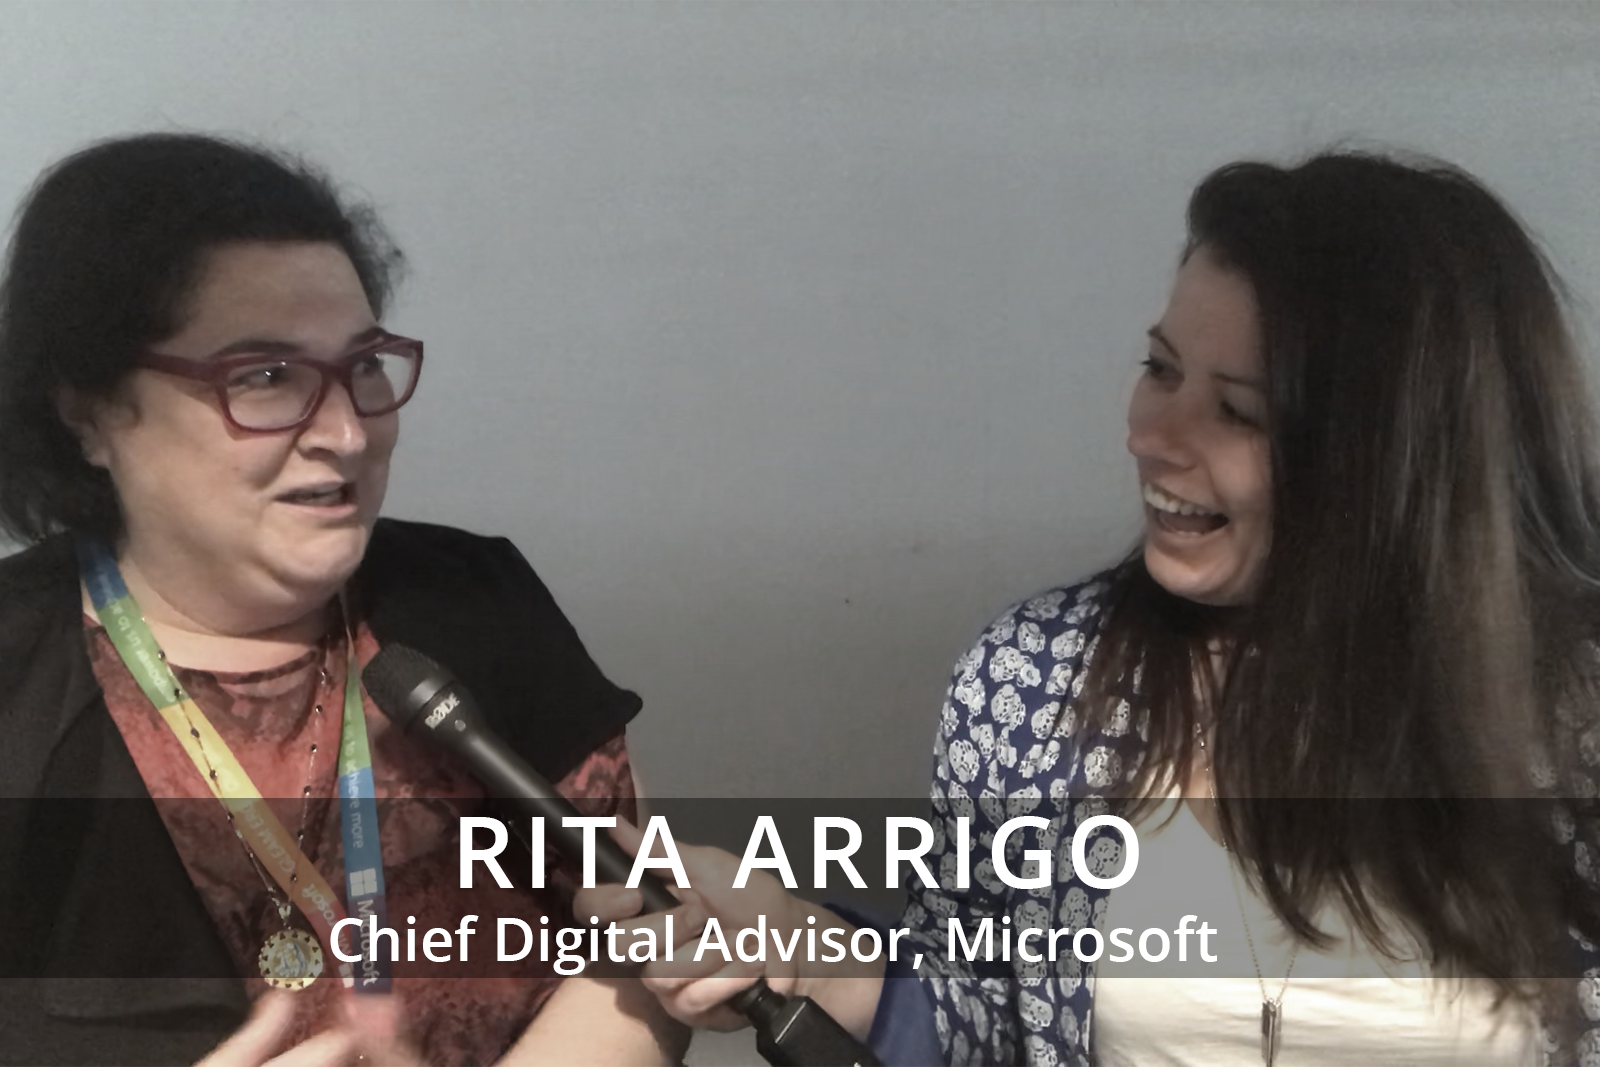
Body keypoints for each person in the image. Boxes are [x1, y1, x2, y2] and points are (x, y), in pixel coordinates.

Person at [579, 150, 1600, 1065]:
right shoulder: (1032, 681)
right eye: (1159, 368)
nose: (1152, 433)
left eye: (1236, 409)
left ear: (1401, 460)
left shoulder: (1573, 705)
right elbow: (977, 1018)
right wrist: (808, 951)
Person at [0, 133, 688, 1067]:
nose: (346, 429)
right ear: (89, 410)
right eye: (265, 376)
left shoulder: (476, 599)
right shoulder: (20, 673)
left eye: (363, 364)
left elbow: (647, 944)